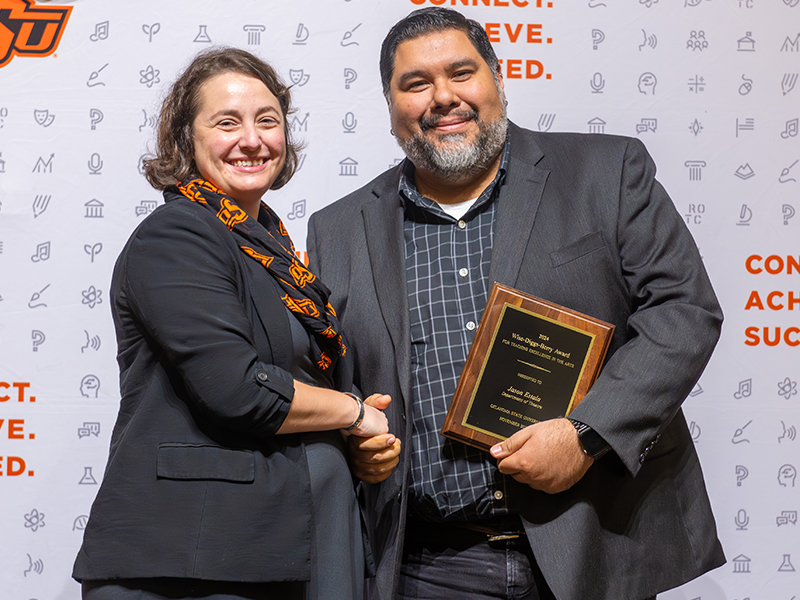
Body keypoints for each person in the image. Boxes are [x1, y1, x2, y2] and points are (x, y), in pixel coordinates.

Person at [307, 8, 725, 600]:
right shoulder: (339, 229)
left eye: (461, 73)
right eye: (417, 83)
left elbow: (683, 310)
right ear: (391, 104)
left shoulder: (607, 172)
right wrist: (356, 438)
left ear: (497, 79)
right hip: (429, 566)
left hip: (594, 542)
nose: (443, 97)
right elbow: (329, 380)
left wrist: (587, 435)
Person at [72, 47, 391, 600]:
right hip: (196, 559)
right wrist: (353, 414)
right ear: (184, 141)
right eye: (227, 122)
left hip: (286, 541)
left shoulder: (271, 251)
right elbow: (239, 390)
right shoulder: (177, 235)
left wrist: (359, 447)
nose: (252, 139)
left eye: (268, 121)